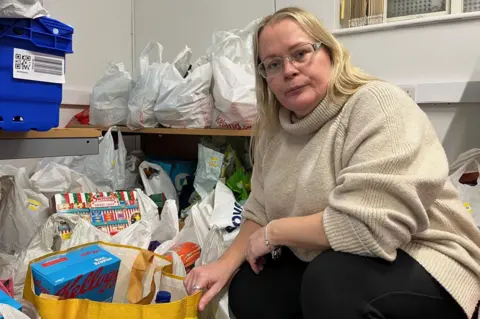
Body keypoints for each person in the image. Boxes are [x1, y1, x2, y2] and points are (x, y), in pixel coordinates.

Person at [184, 7, 480, 319]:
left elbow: (369, 226)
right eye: (273, 64)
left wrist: (275, 232)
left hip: (425, 255)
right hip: (335, 255)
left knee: (331, 283)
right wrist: (224, 265)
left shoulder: (378, 105)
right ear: (265, 78)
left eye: (300, 54)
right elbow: (259, 211)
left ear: (330, 53)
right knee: (253, 289)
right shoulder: (273, 131)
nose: (288, 70)